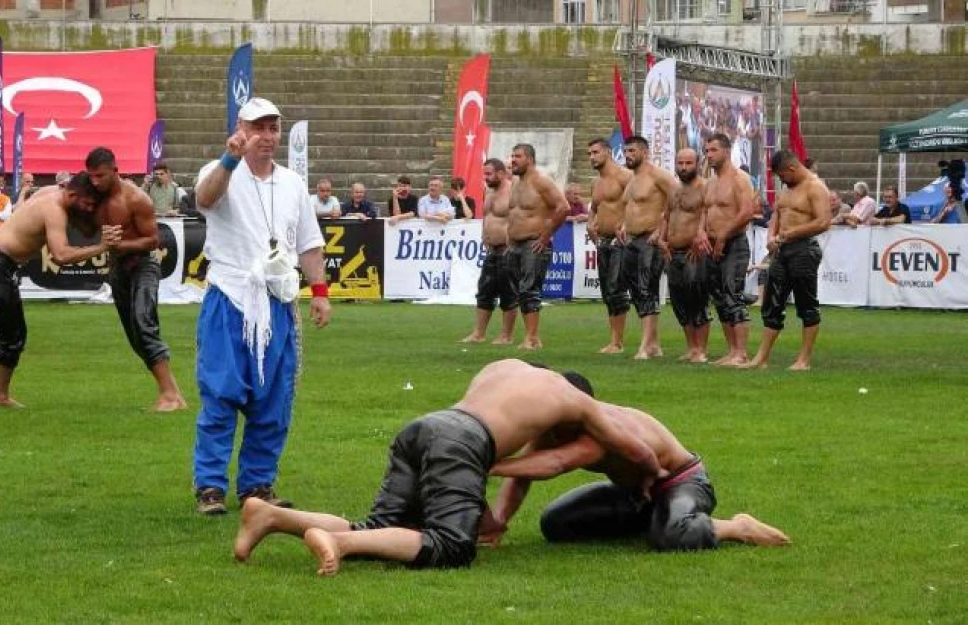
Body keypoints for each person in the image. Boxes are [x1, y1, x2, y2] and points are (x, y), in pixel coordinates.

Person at [232, 359, 665, 576]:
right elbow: (636, 449)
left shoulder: (504, 368)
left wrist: (495, 518)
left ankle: (271, 515)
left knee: (379, 523)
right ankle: (339, 545)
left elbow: (499, 469)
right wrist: (652, 478)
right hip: (464, 440)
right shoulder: (575, 400)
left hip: (425, 426)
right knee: (452, 545)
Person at [191, 97, 331, 514]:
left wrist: (320, 293)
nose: (267, 136)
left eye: (273, 128)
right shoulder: (221, 171)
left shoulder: (291, 183)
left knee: (274, 398)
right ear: (241, 128)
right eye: (259, 128)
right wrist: (229, 160)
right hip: (231, 295)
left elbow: (308, 243)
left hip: (277, 301)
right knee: (221, 393)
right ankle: (210, 487)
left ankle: (256, 485)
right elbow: (205, 198)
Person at [482, 374, 790, 552]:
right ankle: (655, 517)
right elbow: (524, 474)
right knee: (556, 524)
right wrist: (499, 522)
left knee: (670, 537)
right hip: (633, 492)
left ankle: (736, 527)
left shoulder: (604, 428)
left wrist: (492, 464)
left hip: (681, 482)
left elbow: (556, 463)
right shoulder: (553, 425)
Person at [0, 173, 121, 413]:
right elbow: (60, 256)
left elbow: (74, 208)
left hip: (4, 267)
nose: (89, 209)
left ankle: (1, 396)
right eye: (87, 203)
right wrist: (101, 247)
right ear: (72, 195)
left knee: (14, 334)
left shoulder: (51, 192)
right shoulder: (54, 209)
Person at [83, 147, 188, 413]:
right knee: (135, 336)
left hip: (143, 265)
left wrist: (120, 244)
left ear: (115, 171)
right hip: (118, 269)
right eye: (91, 176)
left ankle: (170, 395)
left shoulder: (136, 199)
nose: (95, 182)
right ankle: (172, 393)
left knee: (144, 323)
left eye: (100, 176)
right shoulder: (91, 194)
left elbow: (153, 239)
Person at [744, 151, 832, 371]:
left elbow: (823, 222)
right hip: (782, 251)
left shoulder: (815, 187)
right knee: (772, 304)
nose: (780, 180)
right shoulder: (786, 189)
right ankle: (761, 358)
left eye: (781, 175)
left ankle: (804, 360)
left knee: (806, 305)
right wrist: (770, 237)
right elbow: (777, 214)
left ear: (791, 169)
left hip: (804, 249)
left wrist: (792, 233)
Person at [619, 136, 677, 360]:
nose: (628, 155)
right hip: (632, 240)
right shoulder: (633, 179)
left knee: (646, 290)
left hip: (650, 241)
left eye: (632, 151)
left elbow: (677, 200)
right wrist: (624, 225)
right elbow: (631, 207)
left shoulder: (658, 175)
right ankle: (653, 344)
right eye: (626, 151)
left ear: (644, 151)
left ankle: (646, 345)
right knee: (636, 290)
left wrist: (661, 231)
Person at [508, 144, 569, 350]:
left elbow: (563, 207)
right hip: (516, 244)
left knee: (529, 290)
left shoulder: (541, 181)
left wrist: (546, 236)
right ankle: (531, 337)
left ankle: (532, 338)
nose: (513, 160)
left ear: (530, 159)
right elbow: (515, 214)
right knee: (521, 291)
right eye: (512, 156)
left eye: (518, 156)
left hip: (533, 244)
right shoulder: (515, 182)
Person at [703, 133, 758, 366]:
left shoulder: (739, 178)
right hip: (713, 244)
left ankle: (742, 352)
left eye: (713, 150)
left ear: (726, 151)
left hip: (734, 243)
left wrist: (724, 236)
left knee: (733, 295)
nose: (709, 155)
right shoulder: (711, 181)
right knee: (719, 298)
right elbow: (705, 211)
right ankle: (732, 350)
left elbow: (747, 212)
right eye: (707, 151)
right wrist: (702, 233)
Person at [662, 149, 712, 363]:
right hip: (673, 252)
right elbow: (666, 216)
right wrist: (663, 240)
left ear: (698, 164)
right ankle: (691, 347)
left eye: (688, 163)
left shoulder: (705, 187)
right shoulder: (673, 188)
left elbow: (709, 214)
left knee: (697, 298)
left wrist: (701, 235)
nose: (683, 167)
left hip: (695, 252)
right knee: (678, 299)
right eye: (680, 163)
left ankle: (701, 349)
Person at [459, 158, 517, 345]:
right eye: (484, 174)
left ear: (501, 173)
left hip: (508, 250)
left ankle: (506, 336)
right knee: (485, 291)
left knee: (508, 293)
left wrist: (512, 240)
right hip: (492, 249)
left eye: (489, 174)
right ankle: (479, 333)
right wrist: (485, 234)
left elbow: (519, 217)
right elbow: (487, 216)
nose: (485, 177)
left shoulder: (514, 190)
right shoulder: (488, 191)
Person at [585, 138, 633, 354]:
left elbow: (639, 203)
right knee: (606, 291)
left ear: (608, 152)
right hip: (602, 241)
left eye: (595, 152)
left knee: (616, 289)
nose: (591, 157)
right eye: (589, 154)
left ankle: (618, 341)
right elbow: (594, 207)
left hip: (620, 241)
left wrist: (626, 224)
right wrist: (589, 223)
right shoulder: (596, 182)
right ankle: (613, 339)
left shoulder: (625, 176)